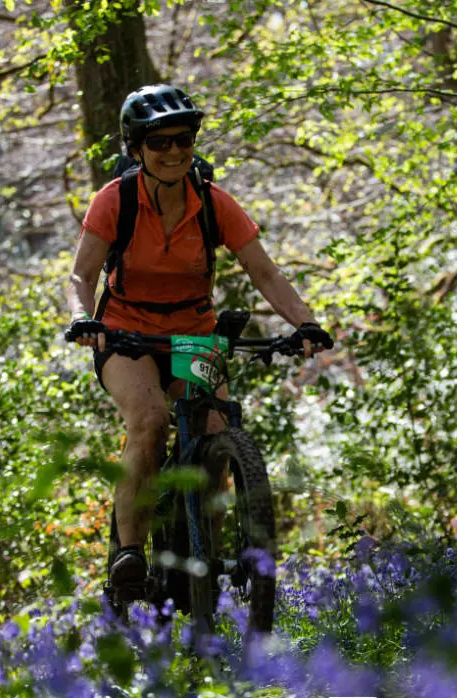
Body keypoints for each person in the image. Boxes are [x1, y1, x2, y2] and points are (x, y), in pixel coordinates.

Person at [63, 84, 333, 598]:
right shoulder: (114, 201)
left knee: (215, 432)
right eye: (159, 141)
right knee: (150, 420)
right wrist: (81, 316)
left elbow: (265, 272)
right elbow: (82, 275)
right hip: (126, 334)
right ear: (136, 149)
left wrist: (306, 323)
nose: (173, 151)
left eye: (183, 139)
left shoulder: (213, 202)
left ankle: (200, 571)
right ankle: (129, 554)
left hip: (193, 335)